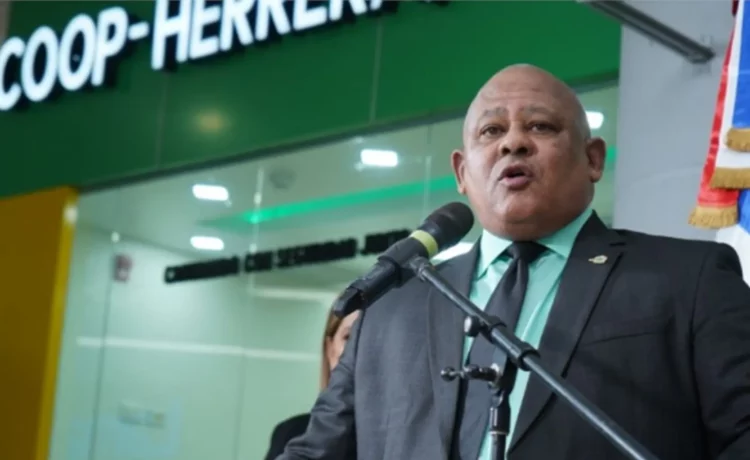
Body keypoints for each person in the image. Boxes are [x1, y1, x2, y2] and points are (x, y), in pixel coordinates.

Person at [277, 64, 750, 460]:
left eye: (540, 126)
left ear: (593, 159)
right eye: (491, 131)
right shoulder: (391, 308)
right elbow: (318, 452)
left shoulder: (689, 280)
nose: (513, 143)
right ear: (462, 172)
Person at [264, 307, 360, 460]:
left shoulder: (392, 441)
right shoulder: (290, 433)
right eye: (348, 337)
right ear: (330, 349)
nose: (359, 350)